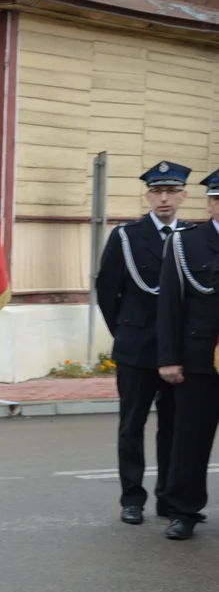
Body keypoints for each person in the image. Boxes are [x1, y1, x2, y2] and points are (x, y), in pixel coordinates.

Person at [96, 161, 188, 525]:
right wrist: (125, 334)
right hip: (137, 347)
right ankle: (132, 497)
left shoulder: (191, 236)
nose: (163, 199)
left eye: (170, 192)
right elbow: (107, 292)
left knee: (174, 427)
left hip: (178, 351)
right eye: (157, 192)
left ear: (183, 195)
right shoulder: (126, 236)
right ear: (148, 195)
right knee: (132, 425)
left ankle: (168, 496)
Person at [156, 168, 219, 541]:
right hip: (199, 358)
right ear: (211, 203)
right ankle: (184, 510)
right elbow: (170, 307)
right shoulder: (186, 242)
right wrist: (168, 358)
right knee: (191, 438)